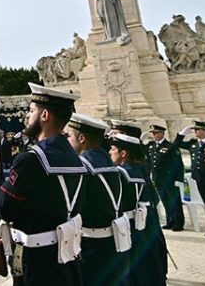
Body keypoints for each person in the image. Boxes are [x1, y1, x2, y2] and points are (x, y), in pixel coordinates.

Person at [0, 83, 86, 285]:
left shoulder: (30, 160)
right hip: (66, 257)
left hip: (37, 263)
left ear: (45, 115)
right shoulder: (76, 158)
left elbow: (5, 208)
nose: (27, 117)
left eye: (32, 111)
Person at [65, 114, 130, 286]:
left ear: (82, 138)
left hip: (92, 245)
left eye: (69, 136)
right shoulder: (108, 161)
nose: (67, 140)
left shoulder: (83, 166)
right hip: (115, 241)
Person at [109, 130, 167, 286]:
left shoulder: (124, 173)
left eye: (113, 149)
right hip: (142, 223)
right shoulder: (136, 168)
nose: (110, 152)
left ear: (123, 153)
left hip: (132, 225)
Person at [146, 124, 185, 231]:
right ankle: (170, 221)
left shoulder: (170, 146)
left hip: (170, 178)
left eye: (156, 133)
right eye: (153, 133)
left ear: (162, 133)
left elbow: (178, 164)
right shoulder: (152, 146)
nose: (154, 135)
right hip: (158, 178)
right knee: (165, 201)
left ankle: (178, 222)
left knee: (174, 201)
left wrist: (179, 179)